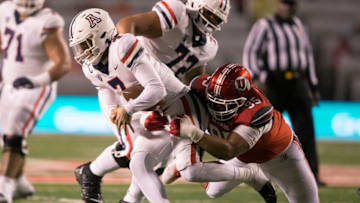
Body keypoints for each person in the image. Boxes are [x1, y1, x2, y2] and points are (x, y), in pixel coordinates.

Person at [69, 8, 274, 203]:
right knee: (138, 162)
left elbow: (157, 91)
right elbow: (106, 90)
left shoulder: (123, 46)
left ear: (103, 35)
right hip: (157, 111)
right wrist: (125, 127)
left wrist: (128, 110)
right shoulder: (92, 68)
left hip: (181, 105)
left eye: (86, 43)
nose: (83, 51)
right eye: (81, 46)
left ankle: (249, 174)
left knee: (188, 170)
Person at [166, 63, 319, 203]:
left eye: (222, 104)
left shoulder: (257, 111)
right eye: (212, 100)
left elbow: (228, 150)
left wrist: (193, 132)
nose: (214, 107)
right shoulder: (202, 86)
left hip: (278, 154)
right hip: (242, 155)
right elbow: (189, 76)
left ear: (242, 100)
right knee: (213, 190)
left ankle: (250, 174)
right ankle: (247, 172)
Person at [242, 0, 324, 186]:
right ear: (279, 5)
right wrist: (258, 76)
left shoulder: (299, 26)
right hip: (274, 82)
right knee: (265, 130)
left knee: (306, 132)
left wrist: (313, 86)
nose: (288, 8)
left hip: (298, 83)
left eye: (292, 4)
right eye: (286, 4)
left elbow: (307, 56)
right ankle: (257, 174)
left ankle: (312, 177)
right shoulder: (264, 25)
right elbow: (250, 52)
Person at [0, 0, 71, 202]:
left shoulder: (48, 20)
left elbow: (63, 63)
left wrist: (35, 81)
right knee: (7, 137)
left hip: (36, 87)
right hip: (9, 85)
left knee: (14, 133)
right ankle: (20, 181)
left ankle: (4, 187)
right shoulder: (4, 11)